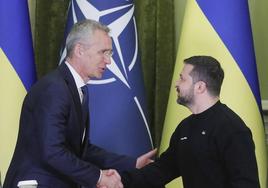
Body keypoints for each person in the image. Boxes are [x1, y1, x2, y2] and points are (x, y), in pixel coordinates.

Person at [3, 19, 156, 188]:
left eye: (109, 54)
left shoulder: (76, 89)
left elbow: (81, 149)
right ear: (79, 50)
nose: (109, 61)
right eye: (103, 52)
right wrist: (98, 177)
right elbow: (52, 151)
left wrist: (131, 163)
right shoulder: (54, 89)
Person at [122, 56, 260, 188]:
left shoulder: (232, 129)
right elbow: (162, 169)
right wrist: (118, 181)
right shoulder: (185, 127)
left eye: (182, 79)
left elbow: (246, 184)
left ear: (200, 87)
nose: (176, 83)